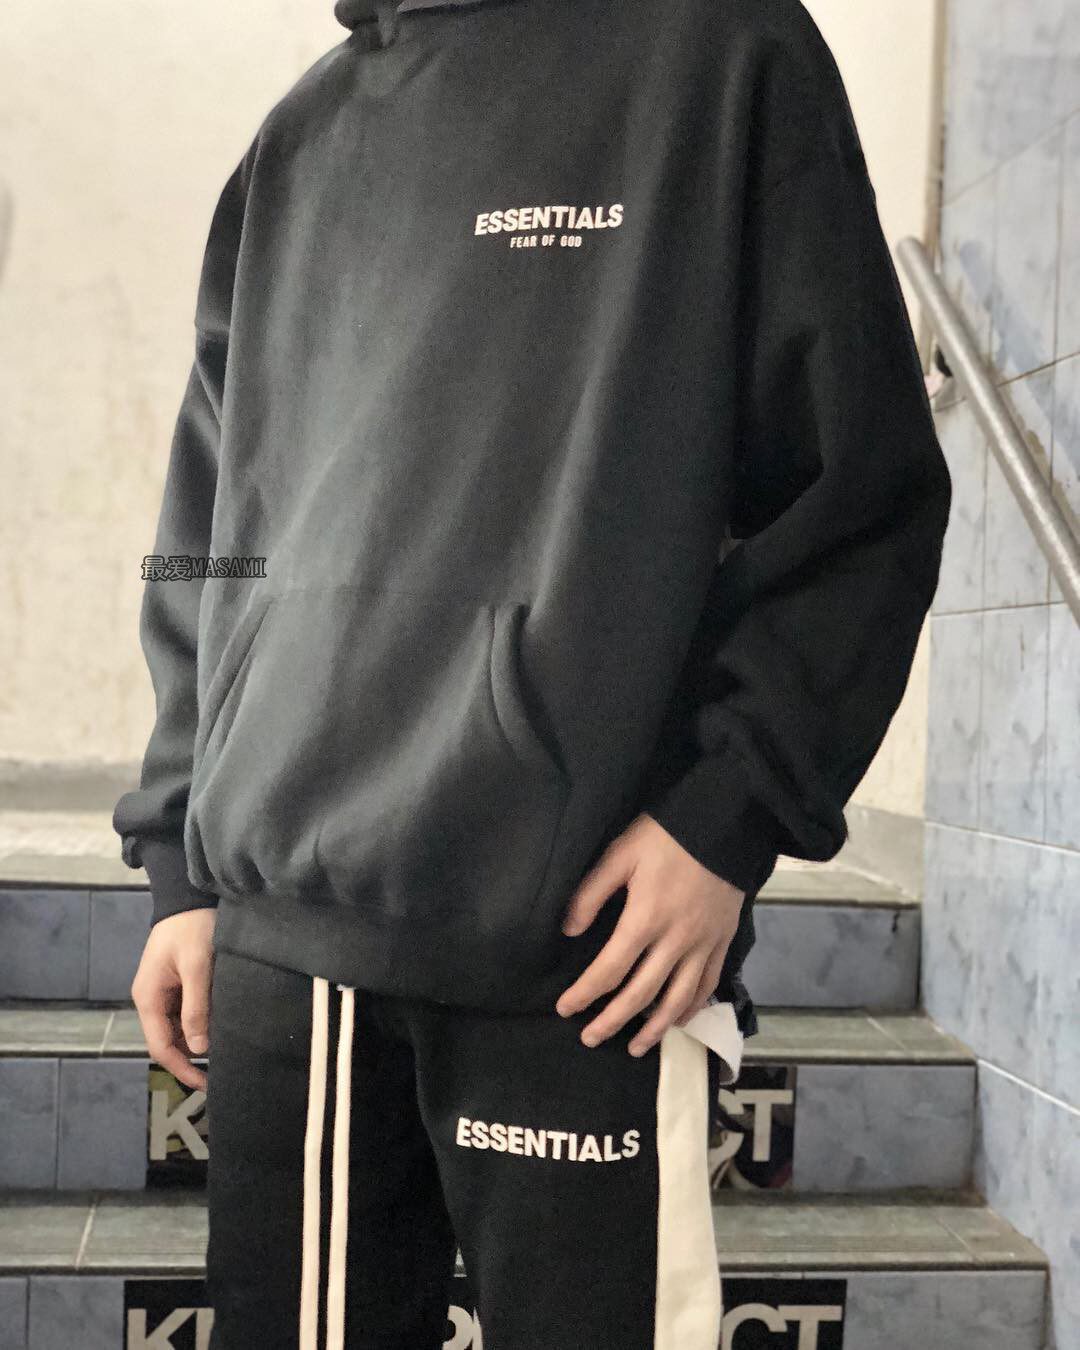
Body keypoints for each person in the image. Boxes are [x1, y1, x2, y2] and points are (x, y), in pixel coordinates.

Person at [113, 0, 952, 1345]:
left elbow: (861, 497)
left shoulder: (722, 57)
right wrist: (179, 855)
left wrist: (727, 813)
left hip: (585, 945)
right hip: (281, 947)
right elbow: (205, 531)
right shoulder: (300, 137)